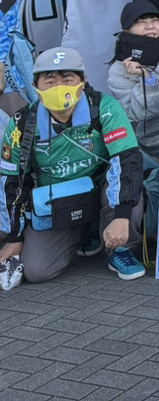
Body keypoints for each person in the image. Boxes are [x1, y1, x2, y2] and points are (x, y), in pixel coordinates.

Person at [0, 47, 145, 284]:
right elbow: (13, 180)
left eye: (67, 79)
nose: (59, 87)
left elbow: (127, 161)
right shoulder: (22, 123)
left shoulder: (105, 108)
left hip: (100, 190)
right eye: (50, 81)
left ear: (83, 81)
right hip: (58, 200)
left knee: (128, 185)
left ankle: (121, 249)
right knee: (36, 270)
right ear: (36, 86)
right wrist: (15, 237)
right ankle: (85, 230)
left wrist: (121, 217)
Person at [106, 0, 159, 160]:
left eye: (155, 20)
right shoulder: (118, 69)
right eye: (140, 21)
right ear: (127, 30)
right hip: (150, 133)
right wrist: (147, 81)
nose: (150, 26)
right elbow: (138, 116)